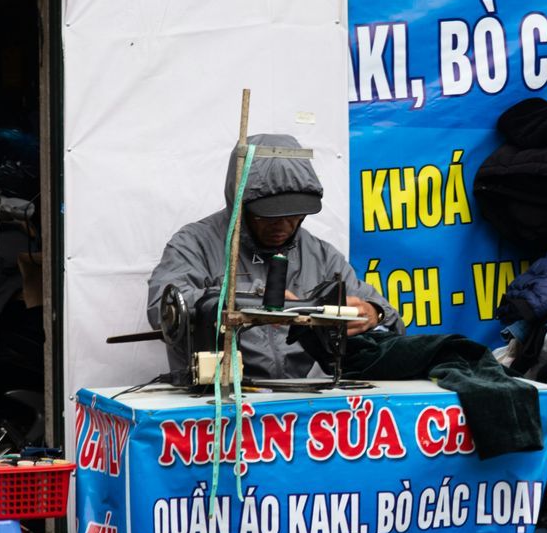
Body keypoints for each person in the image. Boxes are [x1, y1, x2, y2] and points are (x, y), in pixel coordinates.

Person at [147, 133, 401, 378]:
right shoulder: (195, 244)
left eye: (292, 216)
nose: (282, 226)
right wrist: (252, 299)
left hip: (305, 402)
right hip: (219, 397)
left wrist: (374, 313)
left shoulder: (321, 256)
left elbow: (393, 321)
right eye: (267, 216)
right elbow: (162, 308)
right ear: (241, 204)